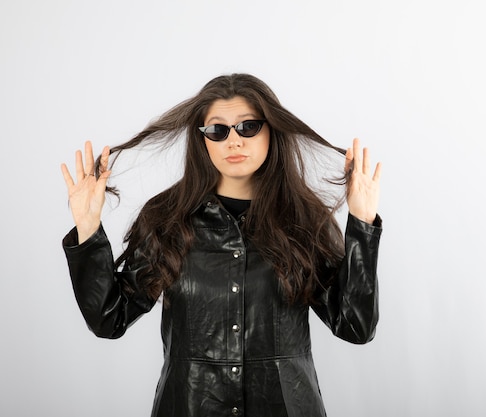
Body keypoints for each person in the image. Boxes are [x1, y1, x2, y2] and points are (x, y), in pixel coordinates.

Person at [60, 73, 382, 417]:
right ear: (203, 140)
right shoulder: (167, 220)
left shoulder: (302, 222)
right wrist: (89, 228)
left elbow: (355, 326)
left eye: (248, 127)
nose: (234, 141)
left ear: (271, 130)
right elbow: (110, 319)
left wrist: (362, 224)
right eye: (218, 130)